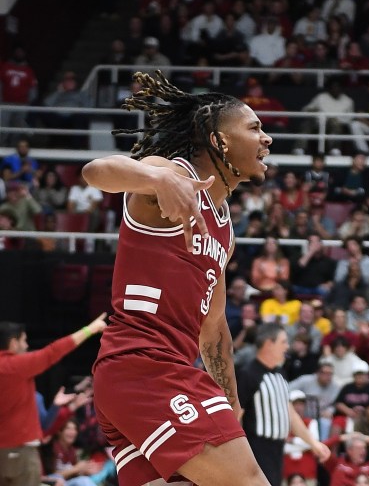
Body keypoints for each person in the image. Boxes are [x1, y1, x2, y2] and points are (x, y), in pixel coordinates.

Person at [83, 71, 276, 486]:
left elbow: (213, 327)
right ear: (220, 140)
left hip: (137, 378)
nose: (267, 139)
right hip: (145, 368)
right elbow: (96, 171)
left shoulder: (224, 229)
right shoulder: (169, 175)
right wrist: (156, 176)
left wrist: (230, 403)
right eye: (255, 128)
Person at [0, 315, 107, 486]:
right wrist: (90, 329)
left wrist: (66, 407)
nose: (27, 346)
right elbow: (53, 352)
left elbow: (46, 426)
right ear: (13, 343)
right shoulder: (14, 366)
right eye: (24, 341)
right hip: (20, 452)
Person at [237, 323, 330, 486]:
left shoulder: (280, 373)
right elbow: (236, 414)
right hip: (257, 449)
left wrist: (313, 444)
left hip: (278, 449)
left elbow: (290, 414)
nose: (288, 346)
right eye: (283, 342)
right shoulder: (248, 374)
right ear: (268, 344)